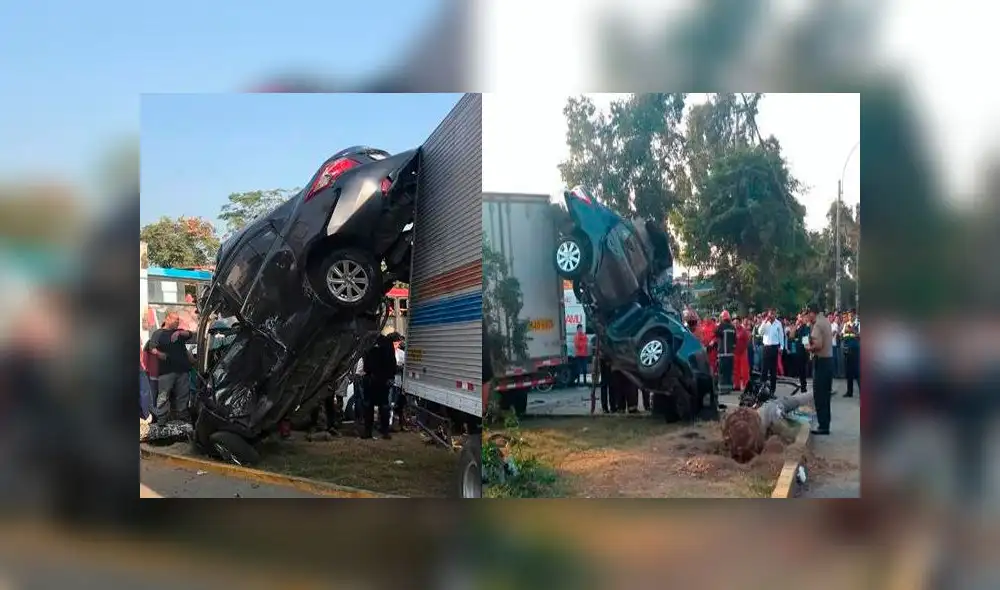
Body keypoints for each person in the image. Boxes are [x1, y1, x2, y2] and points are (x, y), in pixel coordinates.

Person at [152, 312, 194, 424]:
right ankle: (161, 420)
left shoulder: (179, 332)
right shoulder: (158, 333)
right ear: (167, 319)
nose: (177, 321)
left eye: (178, 319)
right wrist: (159, 354)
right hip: (166, 371)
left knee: (183, 395)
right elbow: (152, 348)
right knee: (163, 396)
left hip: (182, 370)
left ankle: (182, 419)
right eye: (175, 319)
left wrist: (180, 332)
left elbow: (190, 334)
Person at [360, 333, 397, 439]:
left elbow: (391, 360)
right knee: (373, 405)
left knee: (379, 405)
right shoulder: (370, 340)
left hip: (379, 378)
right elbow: (391, 361)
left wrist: (390, 376)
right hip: (375, 378)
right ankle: (375, 431)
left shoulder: (381, 341)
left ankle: (380, 430)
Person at [805, 303, 834, 435]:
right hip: (829, 361)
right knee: (826, 394)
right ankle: (826, 423)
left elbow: (818, 345)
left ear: (812, 313)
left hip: (821, 361)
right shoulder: (826, 321)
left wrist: (807, 347)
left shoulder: (817, 324)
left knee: (820, 394)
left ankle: (823, 425)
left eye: (808, 314)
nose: (807, 316)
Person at [757, 309, 783, 395]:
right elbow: (760, 332)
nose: (772, 315)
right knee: (764, 369)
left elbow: (781, 336)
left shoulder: (778, 323)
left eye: (773, 314)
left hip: (774, 347)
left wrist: (781, 347)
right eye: (770, 314)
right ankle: (762, 388)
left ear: (775, 314)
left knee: (773, 371)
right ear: (768, 314)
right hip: (766, 347)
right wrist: (764, 322)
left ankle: (772, 390)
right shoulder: (765, 323)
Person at [714, 310, 737, 395]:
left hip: (722, 353)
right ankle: (728, 389)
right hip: (730, 354)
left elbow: (716, 333)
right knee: (729, 371)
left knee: (722, 372)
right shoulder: (733, 327)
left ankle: (722, 389)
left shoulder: (721, 326)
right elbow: (735, 342)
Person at [841, 313, 860, 397]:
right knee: (849, 372)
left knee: (857, 372)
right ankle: (849, 392)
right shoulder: (845, 325)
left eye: (852, 316)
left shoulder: (858, 324)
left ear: (854, 316)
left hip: (855, 350)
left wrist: (853, 330)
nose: (850, 317)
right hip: (847, 350)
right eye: (849, 316)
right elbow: (841, 335)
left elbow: (860, 336)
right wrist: (842, 334)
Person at [793, 314, 812, 393]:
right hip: (798, 350)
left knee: (803, 370)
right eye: (799, 317)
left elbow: (806, 339)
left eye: (801, 317)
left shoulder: (806, 327)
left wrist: (808, 351)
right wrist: (796, 325)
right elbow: (791, 336)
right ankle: (802, 386)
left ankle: (803, 388)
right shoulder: (799, 327)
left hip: (803, 351)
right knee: (800, 370)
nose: (800, 318)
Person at [733, 317, 750, 392]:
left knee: (744, 370)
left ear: (740, 323)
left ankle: (746, 385)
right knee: (736, 370)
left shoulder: (744, 331)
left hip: (743, 352)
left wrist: (743, 349)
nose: (735, 324)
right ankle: (737, 385)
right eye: (734, 323)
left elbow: (747, 341)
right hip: (735, 352)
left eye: (737, 322)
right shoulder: (733, 331)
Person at [830, 313, 842, 379]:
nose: (829, 318)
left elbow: (833, 333)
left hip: (833, 344)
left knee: (834, 359)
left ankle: (836, 373)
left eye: (831, 317)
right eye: (828, 317)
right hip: (827, 346)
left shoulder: (835, 325)